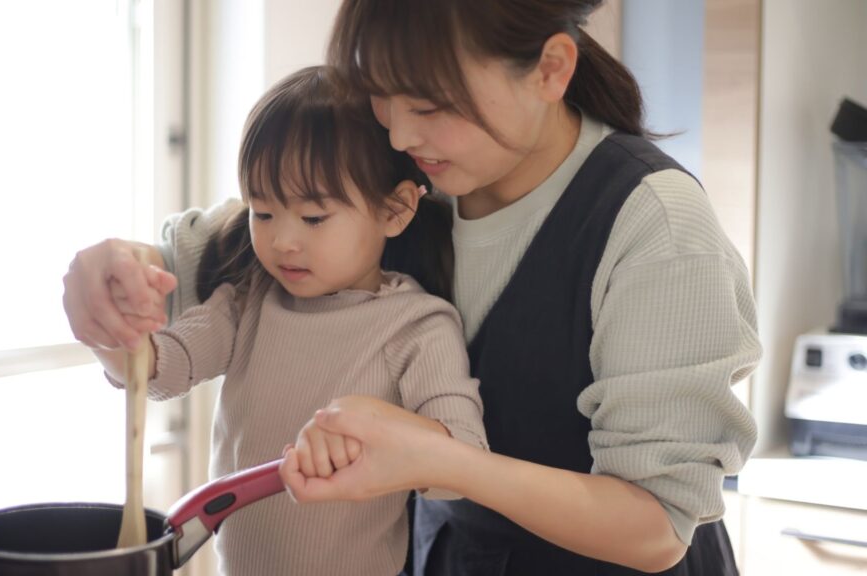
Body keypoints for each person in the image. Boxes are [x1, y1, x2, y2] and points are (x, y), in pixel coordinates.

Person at [63, 1, 761, 574]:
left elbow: (656, 526)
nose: (397, 131)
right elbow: (196, 254)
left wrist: (443, 459)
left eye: (429, 104)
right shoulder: (404, 170)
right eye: (381, 94)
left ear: (550, 69)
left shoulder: (656, 228)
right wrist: (109, 271)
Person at [86, 65, 487, 576]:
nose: (282, 241)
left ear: (396, 209)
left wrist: (378, 434)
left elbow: (465, 460)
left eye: (313, 218)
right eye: (263, 212)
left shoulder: (417, 326)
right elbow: (163, 370)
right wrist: (115, 334)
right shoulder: (250, 300)